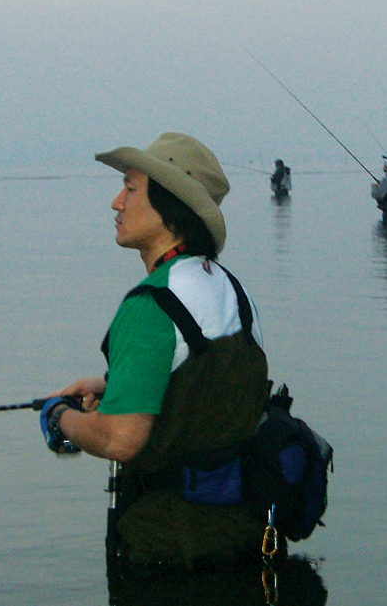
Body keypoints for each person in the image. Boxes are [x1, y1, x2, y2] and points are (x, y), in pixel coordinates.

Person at [39, 132, 271, 569]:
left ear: (171, 208)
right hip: (247, 540)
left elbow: (120, 439)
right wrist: (112, 386)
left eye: (129, 188)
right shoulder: (232, 289)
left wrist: (58, 416)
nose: (116, 203)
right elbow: (204, 392)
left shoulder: (149, 304)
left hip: (167, 549)